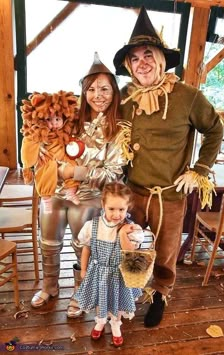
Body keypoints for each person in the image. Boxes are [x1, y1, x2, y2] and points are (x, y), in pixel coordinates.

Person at [113, 6, 223, 328]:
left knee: (165, 250)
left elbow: (214, 129)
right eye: (134, 58)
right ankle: (131, 288)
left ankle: (160, 293)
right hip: (133, 190)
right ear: (128, 66)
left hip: (170, 194)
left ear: (161, 58)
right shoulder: (125, 98)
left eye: (148, 54)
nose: (142, 62)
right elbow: (105, 127)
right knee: (131, 244)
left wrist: (200, 169)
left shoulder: (187, 96)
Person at [29, 53, 128, 317]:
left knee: (80, 225)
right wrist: (39, 149)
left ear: (114, 92)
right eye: (92, 89)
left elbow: (113, 174)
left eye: (105, 89)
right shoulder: (71, 120)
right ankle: (50, 285)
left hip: (93, 195)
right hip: (59, 191)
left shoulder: (118, 130)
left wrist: (78, 171)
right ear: (83, 92)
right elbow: (43, 132)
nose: (98, 95)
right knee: (48, 224)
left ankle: (80, 290)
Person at [73, 181, 144, 347]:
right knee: (100, 297)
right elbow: (86, 249)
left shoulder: (131, 229)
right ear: (103, 204)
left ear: (128, 208)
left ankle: (115, 324)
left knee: (117, 300)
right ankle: (100, 321)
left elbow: (130, 253)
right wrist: (83, 269)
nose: (116, 214)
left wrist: (123, 235)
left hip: (119, 273)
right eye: (112, 209)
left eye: (122, 209)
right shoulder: (93, 226)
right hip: (98, 271)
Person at [20, 93, 81, 213]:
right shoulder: (39, 133)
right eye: (49, 119)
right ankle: (46, 198)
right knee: (46, 167)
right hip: (48, 158)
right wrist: (27, 167)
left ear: (64, 119)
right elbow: (28, 147)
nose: (53, 123)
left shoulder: (65, 130)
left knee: (73, 164)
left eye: (57, 119)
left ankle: (71, 190)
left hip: (62, 156)